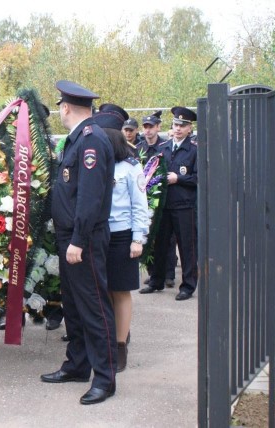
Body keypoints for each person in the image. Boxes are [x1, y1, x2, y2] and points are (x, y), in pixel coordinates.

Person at [40, 80, 117, 405]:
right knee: (73, 305)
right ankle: (77, 364)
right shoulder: (76, 141)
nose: (59, 111)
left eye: (60, 106)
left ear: (67, 107)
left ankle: (105, 377)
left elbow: (89, 197)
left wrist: (78, 240)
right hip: (68, 236)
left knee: (94, 307)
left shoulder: (91, 142)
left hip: (81, 239)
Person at [94, 104, 149, 372]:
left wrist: (138, 238)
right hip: (97, 235)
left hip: (122, 235)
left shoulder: (130, 166)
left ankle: (120, 346)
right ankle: (108, 338)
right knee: (102, 290)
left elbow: (140, 204)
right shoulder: (94, 164)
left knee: (121, 290)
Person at [140, 107, 198, 301]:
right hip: (164, 204)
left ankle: (188, 286)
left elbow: (198, 178)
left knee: (186, 247)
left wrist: (178, 178)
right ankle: (156, 280)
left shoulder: (194, 150)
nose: (179, 128)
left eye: (183, 125)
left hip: (184, 205)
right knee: (160, 244)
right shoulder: (163, 147)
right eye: (176, 125)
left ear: (190, 128)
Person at [137, 111, 178, 288]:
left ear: (158, 127)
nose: (148, 130)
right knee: (149, 236)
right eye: (145, 127)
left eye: (151, 127)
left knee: (167, 239)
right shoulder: (140, 148)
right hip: (144, 198)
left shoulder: (164, 146)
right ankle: (154, 273)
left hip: (163, 198)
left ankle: (169, 274)